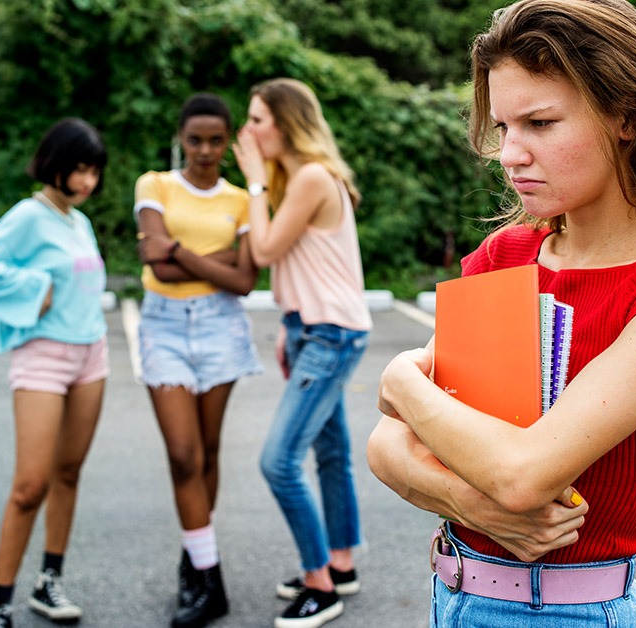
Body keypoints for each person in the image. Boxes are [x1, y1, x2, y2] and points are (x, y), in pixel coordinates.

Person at [367, 0, 636, 626]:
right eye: (505, 127)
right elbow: (386, 446)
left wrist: (400, 380)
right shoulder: (505, 254)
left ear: (627, 117)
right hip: (449, 596)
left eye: (539, 123)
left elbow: (521, 476)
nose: (510, 154)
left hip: (569, 612)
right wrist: (471, 503)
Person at [0, 118, 110, 628]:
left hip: (92, 355)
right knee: (30, 485)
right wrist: (32, 287)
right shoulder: (28, 215)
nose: (87, 181)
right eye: (79, 170)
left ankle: (49, 584)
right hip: (43, 357)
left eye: (94, 172)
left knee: (68, 474)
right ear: (55, 164)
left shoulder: (79, 221)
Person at [232, 78, 372, 628]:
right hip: (313, 330)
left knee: (278, 461)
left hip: (331, 336)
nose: (248, 131)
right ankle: (339, 564)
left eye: (257, 119)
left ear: (286, 124)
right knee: (331, 454)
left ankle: (320, 586)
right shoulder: (300, 177)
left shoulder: (312, 176)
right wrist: (289, 325)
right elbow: (297, 267)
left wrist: (251, 183)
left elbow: (266, 249)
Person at [134, 93, 263, 628]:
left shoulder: (240, 199)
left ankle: (195, 556)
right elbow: (154, 265)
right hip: (163, 327)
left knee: (208, 452)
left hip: (221, 328)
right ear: (181, 138)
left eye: (215, 141)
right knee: (184, 455)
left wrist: (180, 252)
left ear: (228, 141)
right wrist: (218, 260)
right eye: (195, 140)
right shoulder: (155, 184)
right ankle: (212, 583)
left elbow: (246, 280)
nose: (205, 150)